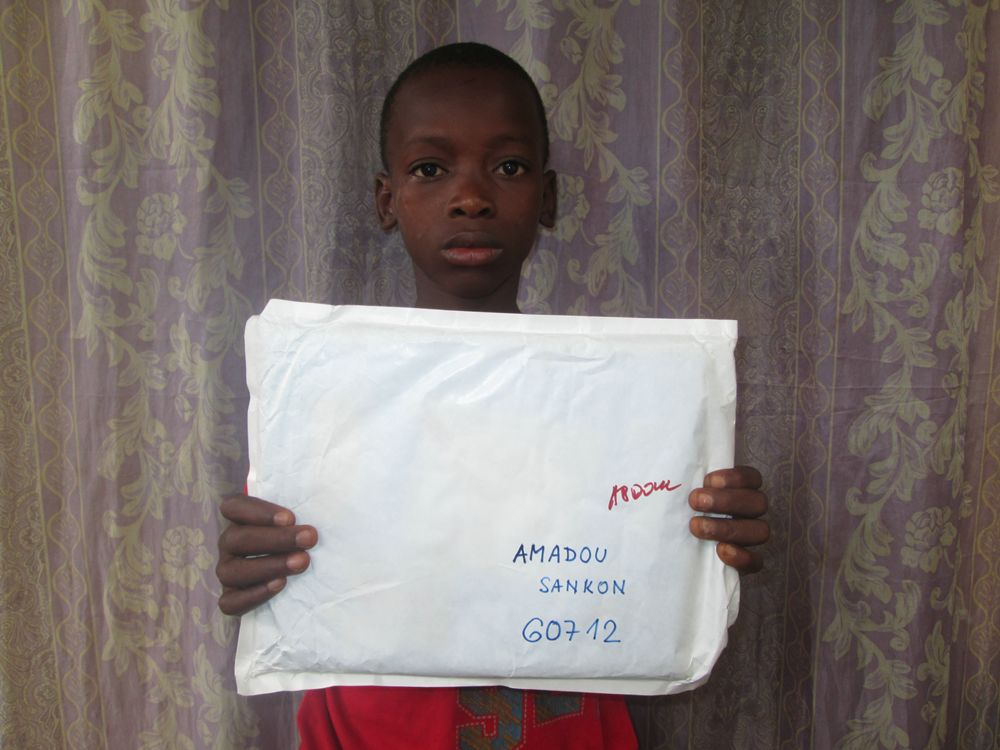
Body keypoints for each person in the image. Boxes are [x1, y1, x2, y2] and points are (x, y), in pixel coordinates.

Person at [217, 42, 769, 749]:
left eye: (508, 167)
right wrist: (259, 569)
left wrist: (708, 539)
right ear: (387, 200)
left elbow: (655, 562)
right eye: (430, 169)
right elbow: (280, 565)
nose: (471, 197)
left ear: (548, 198)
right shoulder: (324, 400)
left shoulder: (622, 404)